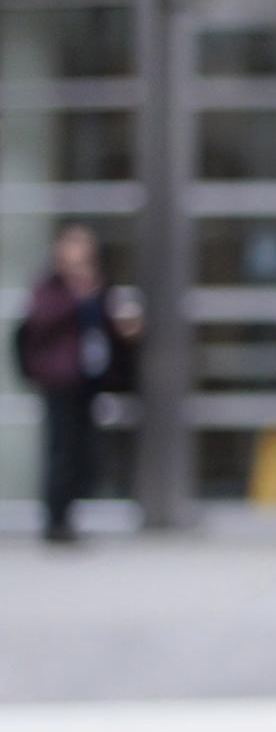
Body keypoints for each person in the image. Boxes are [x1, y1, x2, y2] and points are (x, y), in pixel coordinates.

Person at [11, 223, 140, 544]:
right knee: (61, 449)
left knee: (84, 451)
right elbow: (40, 322)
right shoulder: (51, 286)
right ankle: (55, 520)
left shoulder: (99, 284)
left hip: (89, 379)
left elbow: (108, 326)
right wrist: (76, 295)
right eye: (73, 244)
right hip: (59, 379)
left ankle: (69, 513)